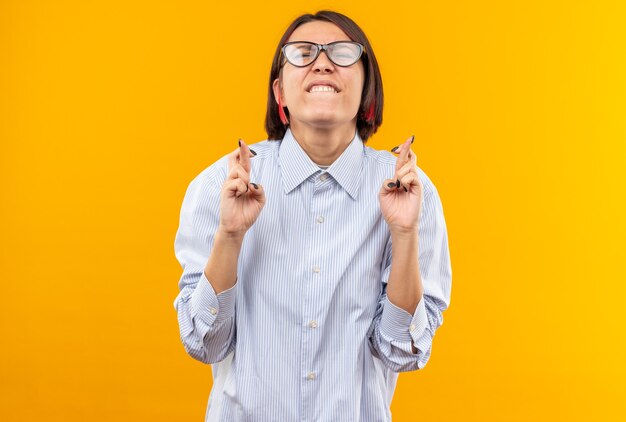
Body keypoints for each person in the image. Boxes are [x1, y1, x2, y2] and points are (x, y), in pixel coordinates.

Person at [173, 10, 452, 421]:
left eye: (341, 53)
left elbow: (401, 351)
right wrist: (230, 235)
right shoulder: (220, 185)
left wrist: (404, 233)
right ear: (280, 93)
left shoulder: (408, 190)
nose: (322, 62)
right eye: (302, 54)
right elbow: (204, 342)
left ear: (366, 89)